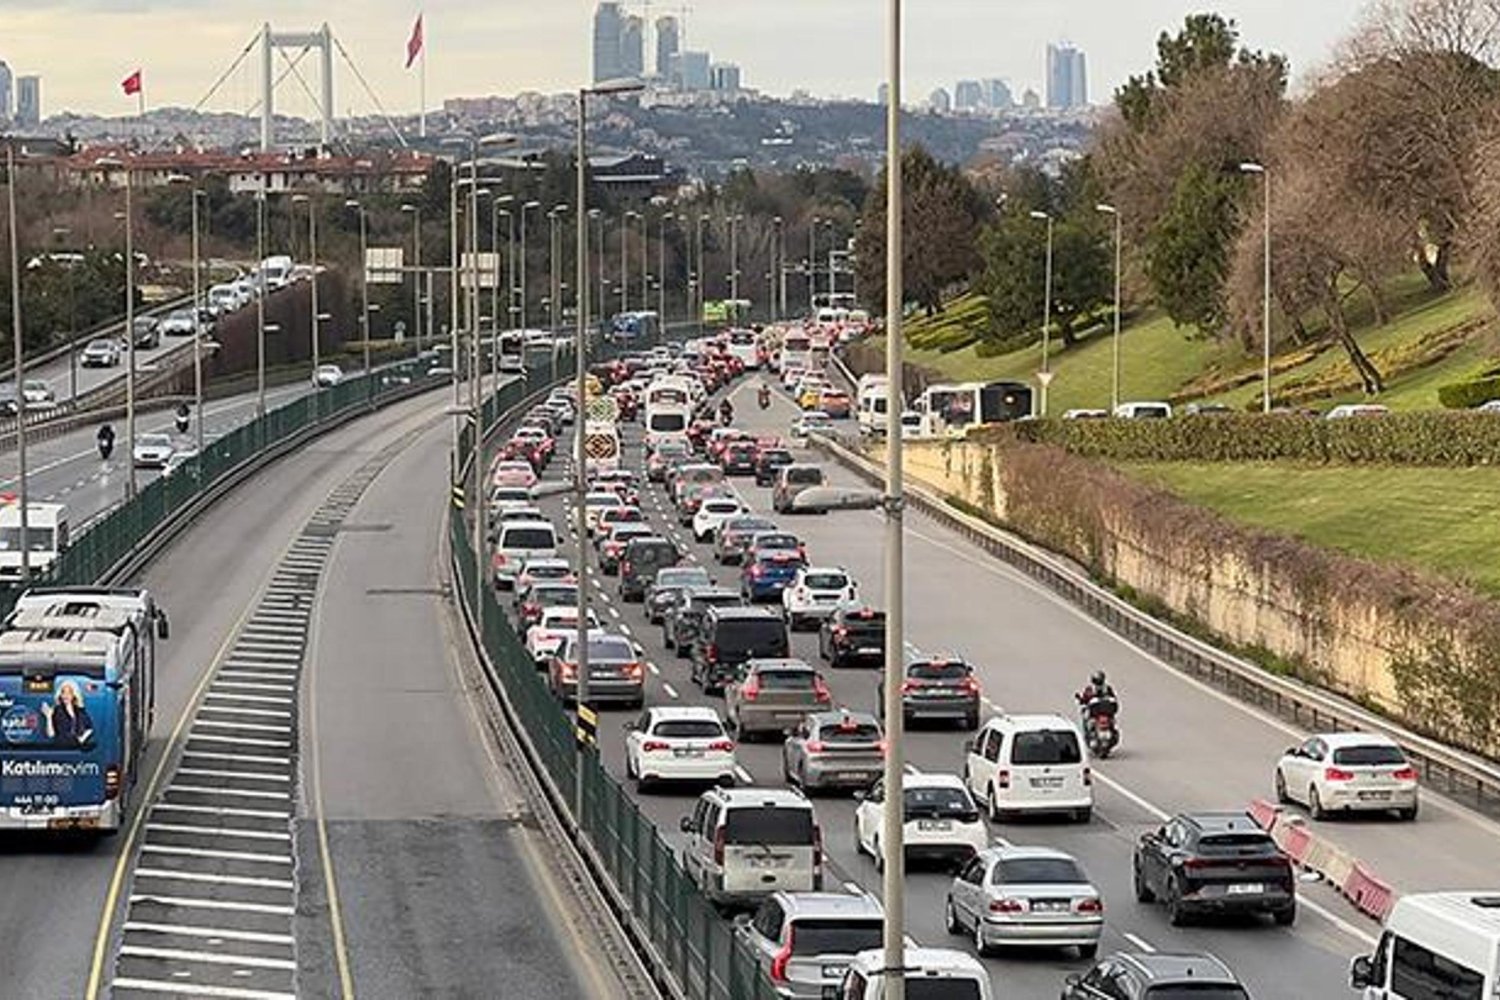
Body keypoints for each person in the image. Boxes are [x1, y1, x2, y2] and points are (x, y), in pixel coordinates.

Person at [40, 681, 94, 747]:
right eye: (63, 692)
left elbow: (90, 728)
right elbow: (51, 734)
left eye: (69, 692)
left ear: (74, 695)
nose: (66, 695)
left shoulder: (80, 711)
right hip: (61, 748)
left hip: (77, 749)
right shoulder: (56, 711)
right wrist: (49, 717)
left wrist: (82, 739)